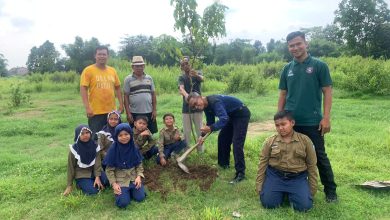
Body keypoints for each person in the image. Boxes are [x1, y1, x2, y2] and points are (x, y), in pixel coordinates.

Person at [277, 31, 337, 202]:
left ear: (306, 43)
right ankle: (291, 187)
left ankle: (330, 191)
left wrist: (326, 117)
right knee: (289, 154)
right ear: (288, 47)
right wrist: (280, 120)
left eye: (298, 44)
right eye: (291, 45)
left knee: (318, 156)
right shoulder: (287, 69)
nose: (295, 48)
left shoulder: (319, 66)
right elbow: (283, 94)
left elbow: (327, 91)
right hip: (290, 122)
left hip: (312, 121)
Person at [256, 111, 318, 212]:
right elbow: (262, 163)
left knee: (304, 207)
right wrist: (259, 186)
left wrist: (312, 190)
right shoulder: (270, 141)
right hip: (276, 176)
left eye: (283, 124)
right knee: (268, 204)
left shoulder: (305, 141)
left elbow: (312, 165)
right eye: (277, 125)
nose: (280, 128)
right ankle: (280, 192)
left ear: (292, 123)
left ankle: (294, 192)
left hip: (297, 178)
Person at [187, 93, 250, 184]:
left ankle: (240, 173)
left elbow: (223, 119)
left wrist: (211, 128)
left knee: (237, 143)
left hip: (241, 114)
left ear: (201, 97)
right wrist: (201, 135)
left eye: (196, 103)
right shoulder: (206, 106)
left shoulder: (215, 101)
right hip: (230, 116)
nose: (197, 106)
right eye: (194, 106)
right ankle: (223, 164)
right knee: (222, 139)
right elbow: (210, 122)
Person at [80, 46, 123, 138]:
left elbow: (118, 87)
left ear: (108, 56)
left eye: (104, 54)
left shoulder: (112, 71)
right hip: (95, 112)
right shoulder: (88, 70)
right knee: (97, 137)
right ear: (95, 56)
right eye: (99, 54)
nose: (102, 56)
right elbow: (83, 88)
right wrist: (87, 108)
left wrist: (121, 104)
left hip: (112, 112)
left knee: (114, 136)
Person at [103, 123, 145, 208]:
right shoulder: (113, 149)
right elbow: (109, 170)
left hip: (133, 178)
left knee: (140, 198)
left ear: (130, 134)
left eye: (126, 134)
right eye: (120, 135)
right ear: (116, 137)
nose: (124, 137)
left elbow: (139, 164)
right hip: (120, 180)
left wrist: (139, 176)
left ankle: (131, 190)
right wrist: (114, 184)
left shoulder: (134, 147)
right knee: (123, 203)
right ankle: (124, 192)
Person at [63, 125, 104, 196]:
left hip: (94, 172)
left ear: (90, 133)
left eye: (87, 133)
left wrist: (97, 177)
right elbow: (70, 167)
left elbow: (97, 163)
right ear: (78, 135)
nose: (85, 135)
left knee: (107, 180)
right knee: (93, 192)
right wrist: (69, 185)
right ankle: (80, 184)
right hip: (82, 174)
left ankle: (93, 182)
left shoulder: (95, 145)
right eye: (82, 133)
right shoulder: (74, 149)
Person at [123, 56, 158, 134]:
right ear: (132, 67)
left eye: (141, 66)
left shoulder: (149, 78)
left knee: (150, 133)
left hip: (149, 111)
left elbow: (153, 94)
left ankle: (150, 146)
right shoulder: (128, 79)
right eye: (137, 66)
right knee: (134, 133)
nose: (139, 68)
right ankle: (136, 146)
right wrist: (128, 113)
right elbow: (126, 96)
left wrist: (154, 110)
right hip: (135, 112)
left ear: (144, 66)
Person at [178, 56, 204, 152]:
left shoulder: (197, 73)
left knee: (199, 130)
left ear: (190, 64)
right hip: (186, 108)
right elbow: (181, 88)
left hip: (198, 107)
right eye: (183, 65)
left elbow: (202, 79)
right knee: (186, 131)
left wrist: (196, 75)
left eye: (187, 63)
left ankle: (200, 150)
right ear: (181, 67)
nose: (185, 66)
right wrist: (188, 97)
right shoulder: (181, 77)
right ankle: (186, 151)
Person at [96, 110, 122, 186]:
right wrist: (110, 157)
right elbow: (100, 150)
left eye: (115, 119)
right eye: (111, 119)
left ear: (119, 120)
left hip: (120, 158)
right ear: (108, 120)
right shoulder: (102, 133)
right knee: (106, 182)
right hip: (107, 159)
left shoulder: (122, 132)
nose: (113, 121)